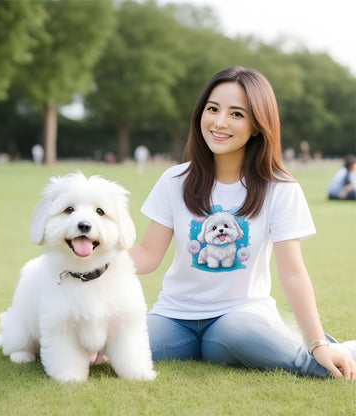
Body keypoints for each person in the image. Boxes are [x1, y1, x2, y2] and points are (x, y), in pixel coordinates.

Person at [130, 66, 356, 379]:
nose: (219, 122)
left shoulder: (280, 188)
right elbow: (147, 254)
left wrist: (317, 342)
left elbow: (292, 273)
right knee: (111, 349)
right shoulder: (174, 180)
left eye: (236, 114)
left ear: (257, 126)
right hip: (173, 318)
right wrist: (89, 260)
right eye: (212, 109)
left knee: (256, 340)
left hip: (239, 319)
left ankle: (338, 352)